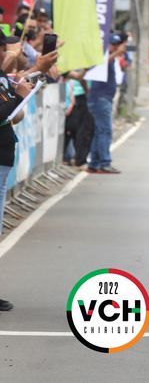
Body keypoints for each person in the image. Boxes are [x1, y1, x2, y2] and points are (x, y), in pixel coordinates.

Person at [0, 30, 57, 311]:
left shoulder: (3, 79)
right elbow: (5, 112)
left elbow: (15, 112)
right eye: (7, 50)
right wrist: (16, 99)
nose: (10, 55)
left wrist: (33, 77)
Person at [85, 34, 125, 174]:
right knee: (105, 131)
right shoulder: (103, 57)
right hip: (100, 99)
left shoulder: (111, 58)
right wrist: (115, 53)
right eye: (112, 44)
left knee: (99, 131)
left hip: (103, 98)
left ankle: (94, 163)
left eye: (116, 44)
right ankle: (104, 163)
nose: (115, 47)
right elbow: (101, 64)